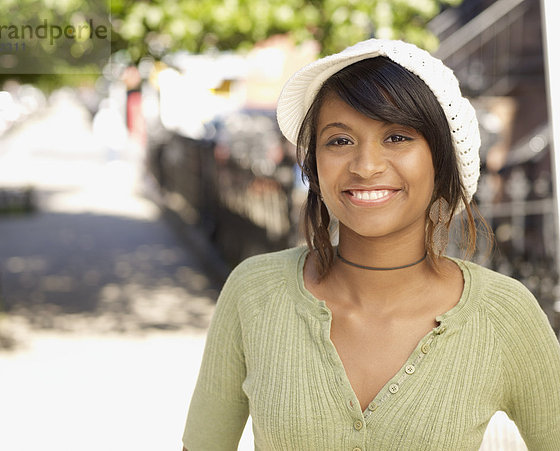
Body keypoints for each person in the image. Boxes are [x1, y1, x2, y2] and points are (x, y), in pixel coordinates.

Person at [182, 39, 560, 450]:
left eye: (397, 137)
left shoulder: (504, 314)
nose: (366, 166)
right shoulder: (254, 292)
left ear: (441, 159)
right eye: (340, 141)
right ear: (314, 164)